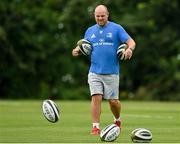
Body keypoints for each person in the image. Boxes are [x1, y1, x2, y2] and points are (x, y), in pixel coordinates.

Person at [72, 4, 136, 135]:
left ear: (107, 15)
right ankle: (95, 127)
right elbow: (85, 45)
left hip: (112, 72)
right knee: (96, 97)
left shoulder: (117, 28)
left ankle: (117, 119)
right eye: (97, 16)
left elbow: (131, 42)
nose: (100, 18)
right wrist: (77, 50)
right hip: (94, 71)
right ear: (94, 16)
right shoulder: (90, 30)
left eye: (102, 16)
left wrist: (129, 49)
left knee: (113, 102)